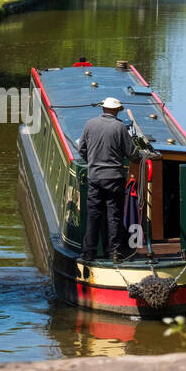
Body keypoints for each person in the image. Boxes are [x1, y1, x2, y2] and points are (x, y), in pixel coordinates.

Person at [77, 97, 136, 262]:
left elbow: (82, 149)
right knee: (114, 215)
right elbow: (131, 153)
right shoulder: (120, 127)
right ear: (116, 110)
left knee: (93, 215)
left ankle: (88, 253)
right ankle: (114, 252)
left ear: (103, 109)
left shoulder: (90, 124)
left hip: (95, 177)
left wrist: (93, 162)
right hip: (114, 178)